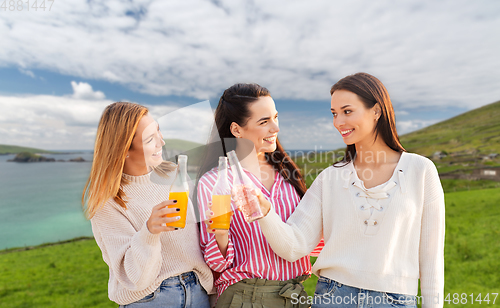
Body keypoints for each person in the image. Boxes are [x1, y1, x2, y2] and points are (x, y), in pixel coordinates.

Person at [253, 73, 445, 308]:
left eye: (347, 111)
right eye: (334, 114)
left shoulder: (421, 170)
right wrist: (264, 212)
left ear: (376, 111)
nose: (338, 122)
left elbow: (431, 259)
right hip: (333, 297)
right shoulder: (330, 178)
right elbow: (295, 245)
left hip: (395, 300)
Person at [197, 83, 321, 308]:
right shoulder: (214, 183)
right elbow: (215, 263)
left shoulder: (288, 175)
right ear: (236, 130)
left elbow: (310, 241)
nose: (275, 128)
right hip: (246, 297)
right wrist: (221, 235)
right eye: (264, 122)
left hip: (295, 295)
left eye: (275, 117)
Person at [82, 102, 214, 307]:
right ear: (123, 148)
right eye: (150, 138)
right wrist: (150, 232)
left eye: (158, 131)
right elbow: (136, 278)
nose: (161, 142)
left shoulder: (174, 174)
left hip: (198, 292)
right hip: (151, 299)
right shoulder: (107, 201)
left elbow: (201, 236)